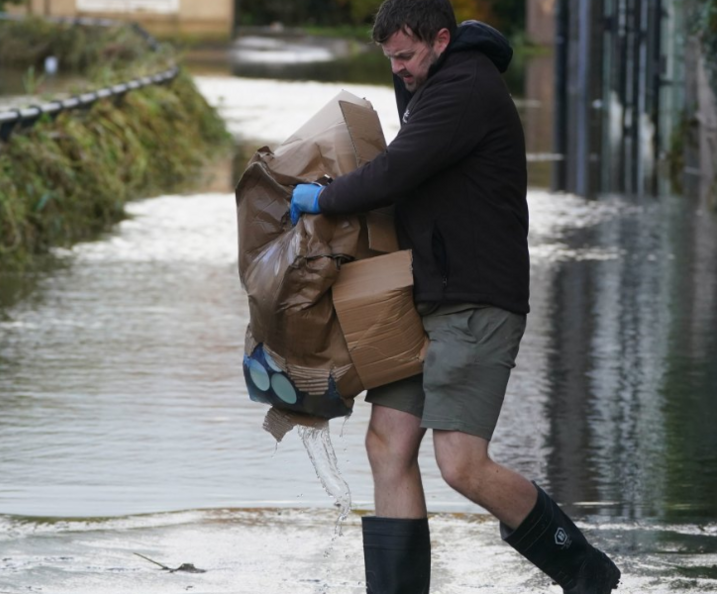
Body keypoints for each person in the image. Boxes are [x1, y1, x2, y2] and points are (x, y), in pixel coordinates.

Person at [290, 1, 621, 592]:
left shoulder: (464, 86)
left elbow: (396, 172)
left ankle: (587, 573)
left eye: (407, 56)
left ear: (442, 39)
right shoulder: (433, 81)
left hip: (476, 302)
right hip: (425, 298)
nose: (398, 69)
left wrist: (325, 197)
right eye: (389, 58)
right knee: (387, 442)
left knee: (461, 464)